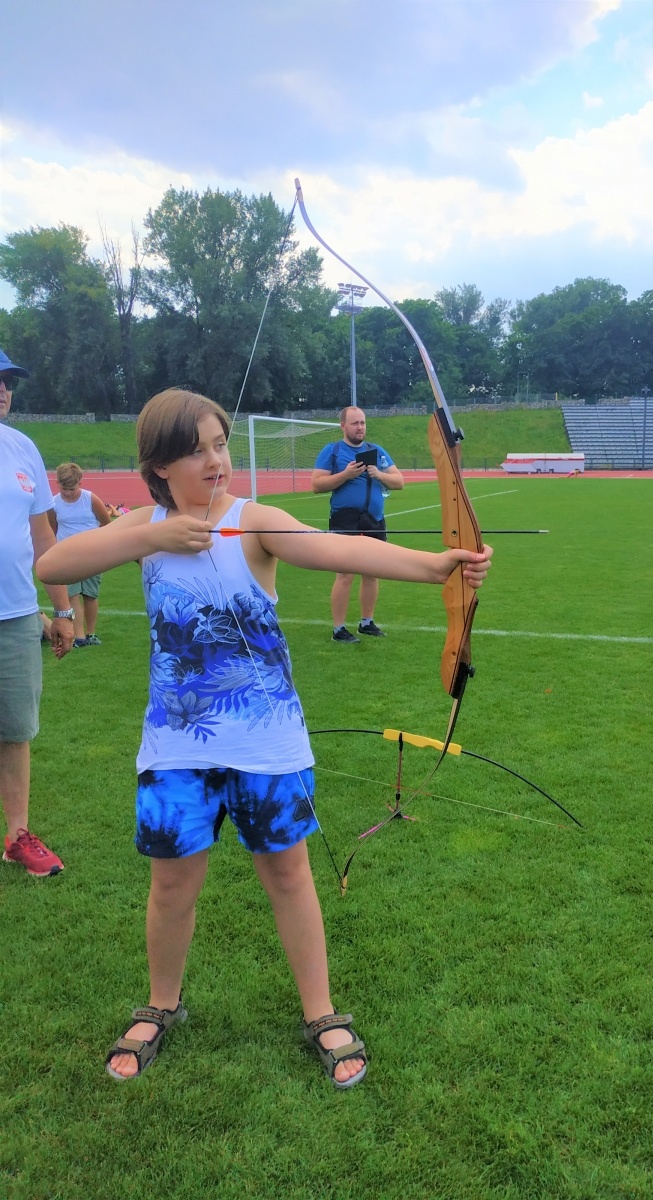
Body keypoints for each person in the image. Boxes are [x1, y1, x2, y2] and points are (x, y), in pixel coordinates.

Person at [36, 387, 491, 1086]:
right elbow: (52, 567)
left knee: (288, 873)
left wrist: (435, 566)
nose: (215, 460)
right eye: (195, 451)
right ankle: (162, 1003)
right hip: (176, 748)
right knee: (170, 885)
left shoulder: (255, 523)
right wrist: (153, 534)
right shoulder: (143, 528)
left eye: (219, 444)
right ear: (158, 466)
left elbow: (338, 547)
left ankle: (322, 1010)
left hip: (269, 745)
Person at [0, 348, 75, 877]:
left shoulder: (22, 447)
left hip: (16, 616)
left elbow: (43, 537)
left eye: (7, 381)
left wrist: (62, 610)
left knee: (15, 730)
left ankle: (17, 836)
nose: (3, 389)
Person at [311, 406, 404, 643]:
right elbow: (316, 485)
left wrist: (379, 474)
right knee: (345, 574)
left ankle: (366, 622)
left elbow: (399, 482)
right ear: (343, 425)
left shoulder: (376, 451)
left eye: (362, 422)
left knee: (372, 573)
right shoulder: (332, 451)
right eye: (354, 423)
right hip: (345, 519)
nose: (360, 427)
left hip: (374, 519)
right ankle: (338, 629)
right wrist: (346, 475)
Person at [49, 462, 111, 646]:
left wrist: (96, 543)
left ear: (80, 483)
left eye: (72, 488)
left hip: (92, 554)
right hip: (67, 555)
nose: (68, 492)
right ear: (57, 483)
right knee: (72, 595)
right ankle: (80, 636)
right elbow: (52, 529)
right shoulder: (54, 503)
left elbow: (107, 524)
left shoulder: (90, 499)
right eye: (64, 488)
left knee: (90, 595)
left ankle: (91, 633)